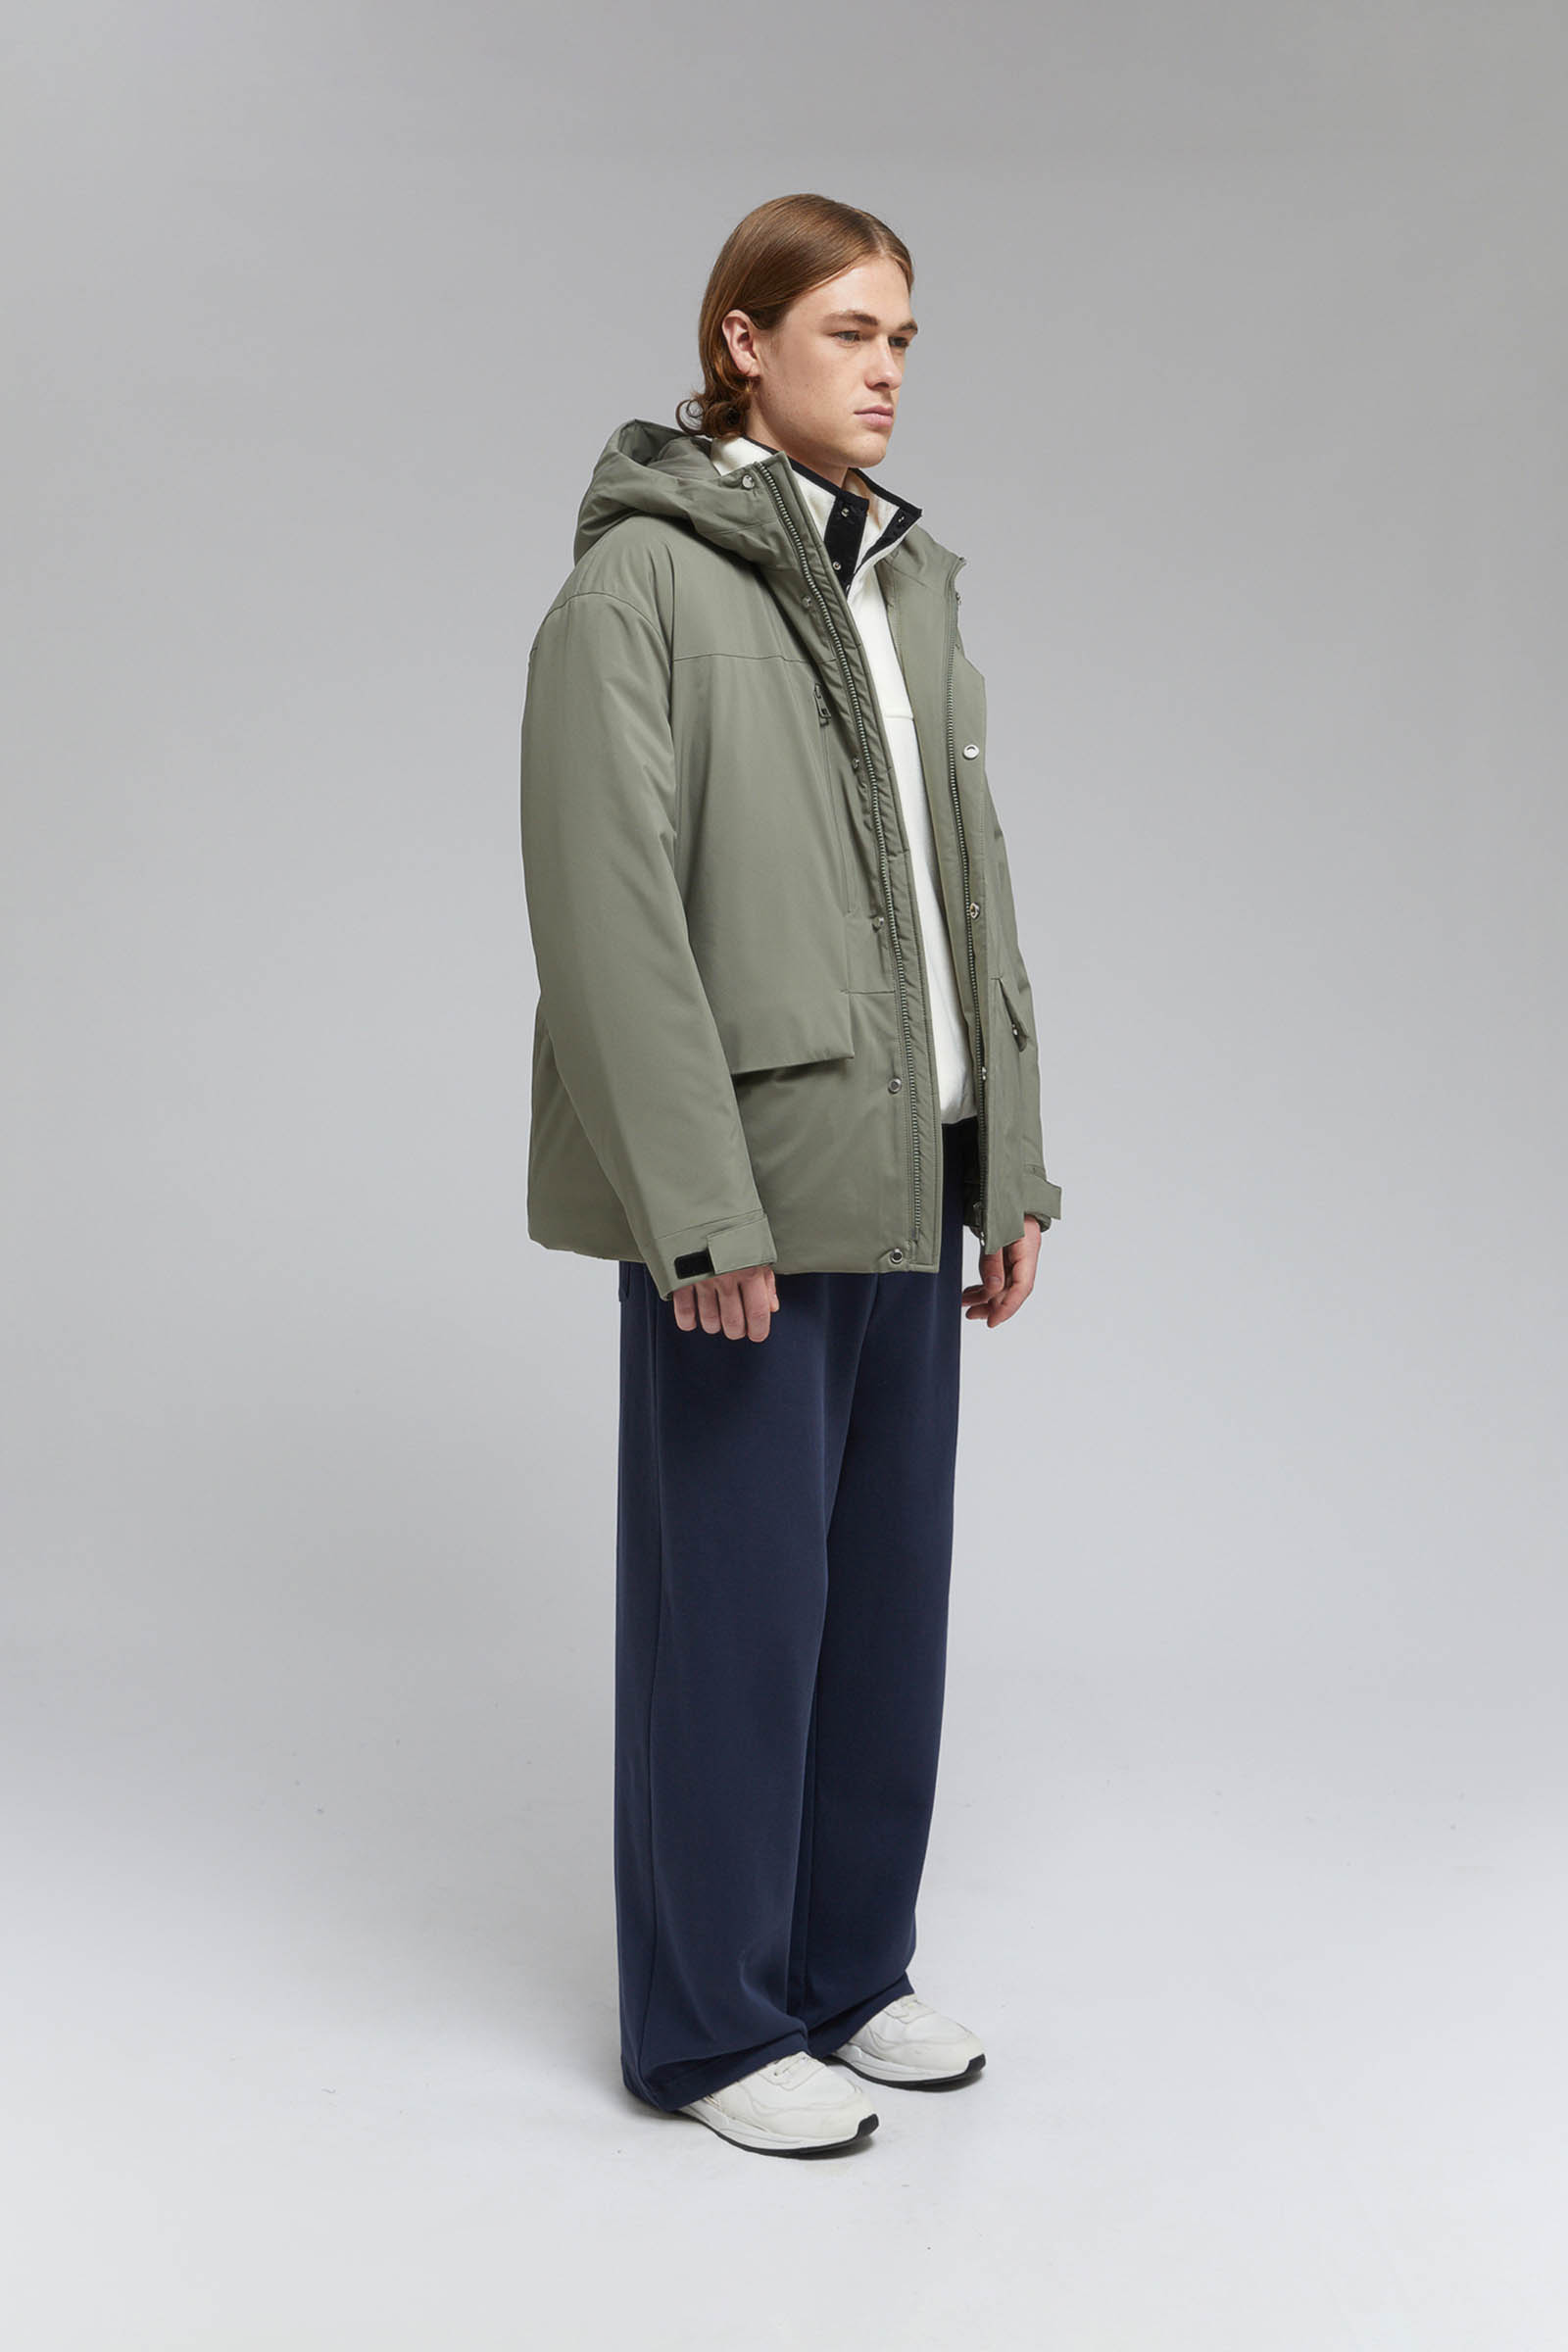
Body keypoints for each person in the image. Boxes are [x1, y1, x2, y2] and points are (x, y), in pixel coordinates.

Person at [517, 193, 1062, 2157]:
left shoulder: (907, 590)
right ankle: (709, 2023)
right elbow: (608, 925)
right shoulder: (637, 593)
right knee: (733, 1616)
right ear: (740, 342)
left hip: (908, 1172)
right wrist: (694, 1208)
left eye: (904, 335)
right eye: (849, 330)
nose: (889, 369)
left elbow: (966, 892)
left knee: (880, 1603)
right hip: (744, 1190)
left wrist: (1008, 1162)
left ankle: (847, 1972)